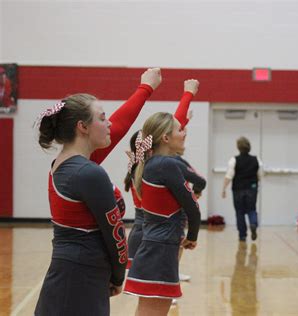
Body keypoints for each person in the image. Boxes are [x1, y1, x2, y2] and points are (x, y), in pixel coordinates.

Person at [34, 68, 162, 315]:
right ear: (82, 127)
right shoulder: (87, 172)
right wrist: (117, 274)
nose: (109, 122)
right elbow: (114, 233)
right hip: (79, 277)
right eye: (102, 118)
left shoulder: (72, 163)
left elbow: (118, 128)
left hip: (78, 271)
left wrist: (145, 88)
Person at [123, 113, 201, 316]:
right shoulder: (167, 165)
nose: (183, 134)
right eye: (179, 130)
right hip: (160, 250)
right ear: (165, 138)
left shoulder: (153, 164)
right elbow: (192, 208)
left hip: (155, 247)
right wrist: (192, 237)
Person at [125, 79, 200, 270]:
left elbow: (171, 127)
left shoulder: (142, 164)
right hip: (158, 233)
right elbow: (171, 125)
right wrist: (188, 94)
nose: (182, 132)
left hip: (147, 229)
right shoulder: (160, 165)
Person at [222, 137, 263, 242]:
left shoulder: (234, 160)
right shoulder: (256, 159)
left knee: (239, 212)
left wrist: (224, 188)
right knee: (251, 209)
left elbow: (229, 176)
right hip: (252, 188)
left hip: (238, 189)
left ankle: (242, 235)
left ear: (238, 147)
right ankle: (253, 224)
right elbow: (260, 175)